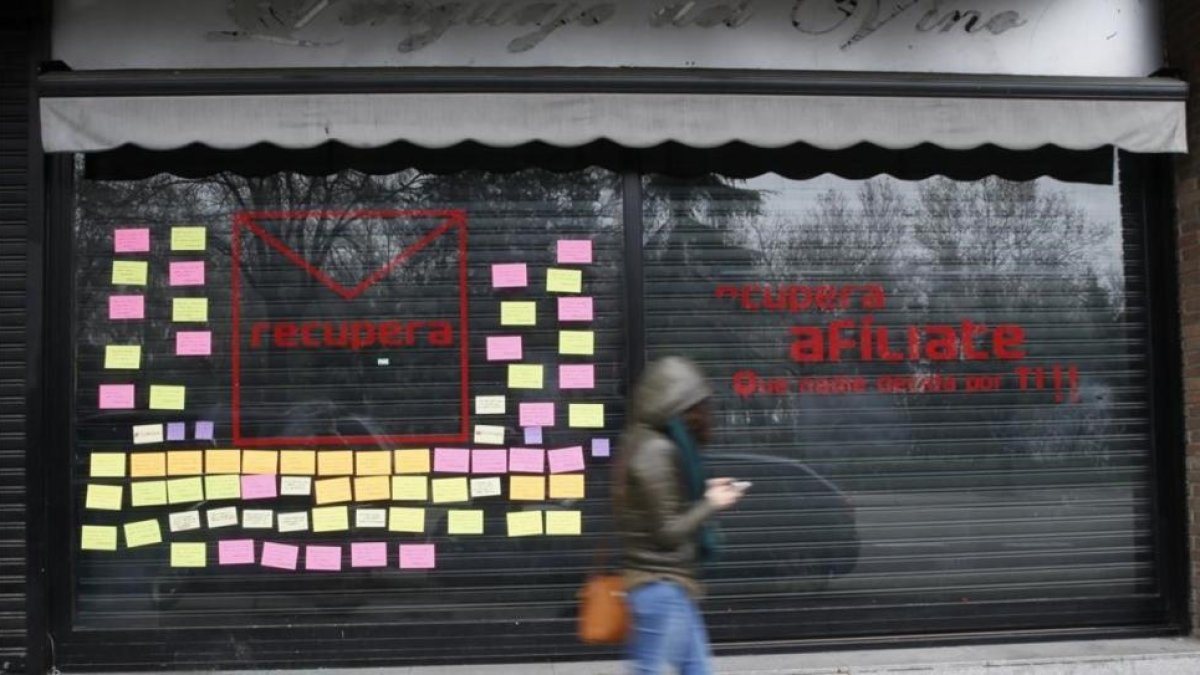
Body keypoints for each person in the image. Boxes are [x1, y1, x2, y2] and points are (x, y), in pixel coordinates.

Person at [614, 356, 746, 675]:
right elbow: (668, 531)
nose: (702, 416)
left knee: (697, 669)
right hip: (659, 586)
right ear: (676, 404)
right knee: (653, 670)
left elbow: (665, 507)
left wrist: (704, 494)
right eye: (696, 407)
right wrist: (710, 503)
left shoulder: (649, 442)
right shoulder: (655, 449)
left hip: (670, 585)